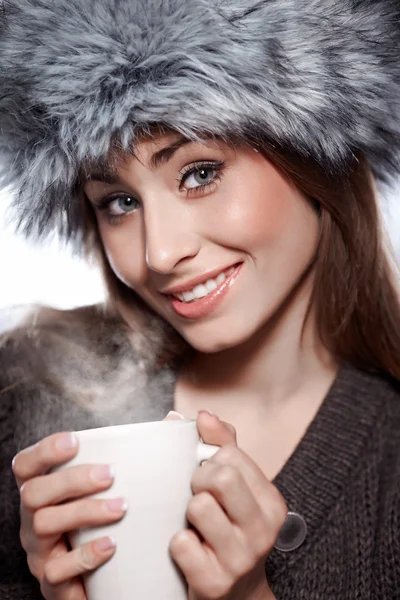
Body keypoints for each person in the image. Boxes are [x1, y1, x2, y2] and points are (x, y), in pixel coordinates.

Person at [1, 0, 400, 598]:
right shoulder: (25, 405)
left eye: (199, 173)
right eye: (119, 203)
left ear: (317, 155)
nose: (159, 254)